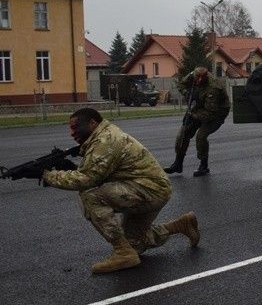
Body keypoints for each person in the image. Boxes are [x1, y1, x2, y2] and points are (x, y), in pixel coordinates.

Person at [40, 108, 200, 274]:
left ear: (92, 123)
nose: (71, 133)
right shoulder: (103, 136)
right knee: (135, 243)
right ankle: (181, 225)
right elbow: (97, 171)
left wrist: (47, 175)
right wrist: (67, 168)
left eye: (75, 127)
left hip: (149, 191)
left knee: (89, 195)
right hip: (148, 189)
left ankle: (122, 253)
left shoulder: (105, 140)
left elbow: (86, 179)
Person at [163, 66, 231, 177]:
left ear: (206, 76)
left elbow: (210, 113)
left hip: (217, 113)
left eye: (201, 78)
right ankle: (178, 164)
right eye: (197, 78)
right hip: (200, 108)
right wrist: (187, 93)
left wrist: (192, 115)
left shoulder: (213, 87)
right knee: (183, 133)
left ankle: (204, 166)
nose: (198, 81)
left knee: (201, 136)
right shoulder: (192, 75)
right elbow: (181, 85)